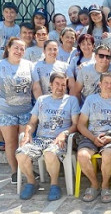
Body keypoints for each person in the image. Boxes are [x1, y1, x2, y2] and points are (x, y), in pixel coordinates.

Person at [16, 72, 79, 200]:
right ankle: (31, 182)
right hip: (40, 139)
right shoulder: (41, 100)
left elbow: (76, 124)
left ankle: (54, 184)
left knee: (50, 153)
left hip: (59, 140)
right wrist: (27, 133)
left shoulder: (71, 100)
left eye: (63, 85)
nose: (60, 87)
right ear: (50, 84)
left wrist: (64, 133)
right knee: (21, 153)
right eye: (57, 84)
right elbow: (32, 122)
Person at [77, 72, 111, 203]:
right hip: (91, 135)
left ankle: (105, 185)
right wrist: (93, 138)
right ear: (100, 84)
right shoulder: (90, 100)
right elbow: (81, 125)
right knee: (82, 155)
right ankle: (94, 184)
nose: (109, 86)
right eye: (106, 82)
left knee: (107, 155)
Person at [0, 37, 34, 184]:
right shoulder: (1, 65)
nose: (19, 51)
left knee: (25, 142)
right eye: (16, 48)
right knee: (11, 142)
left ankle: (26, 171)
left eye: (22, 49)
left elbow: (36, 86)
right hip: (6, 111)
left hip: (26, 110)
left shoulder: (29, 65)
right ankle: (15, 172)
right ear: (8, 48)